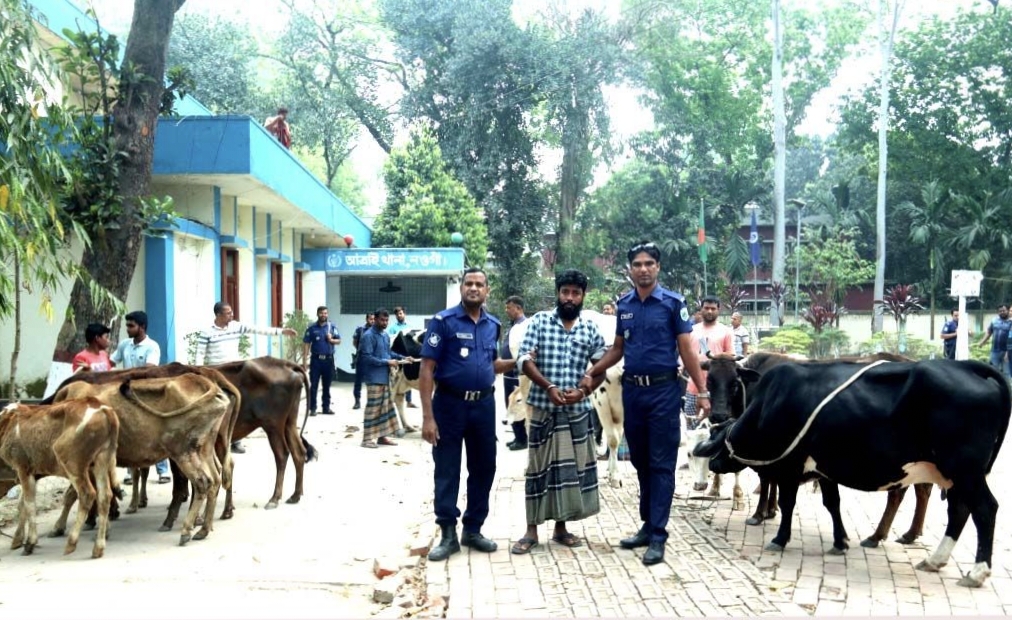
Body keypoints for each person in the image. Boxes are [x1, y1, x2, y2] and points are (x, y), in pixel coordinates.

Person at [578, 242, 710, 566]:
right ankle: (646, 525)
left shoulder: (673, 304)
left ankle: (658, 536)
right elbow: (617, 349)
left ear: (658, 267)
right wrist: (593, 370)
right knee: (639, 460)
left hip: (664, 393)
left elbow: (687, 352)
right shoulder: (624, 305)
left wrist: (703, 391)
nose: (643, 269)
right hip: (633, 393)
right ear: (631, 269)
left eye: (649, 263)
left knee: (661, 463)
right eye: (637, 264)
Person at [420, 267, 516, 562]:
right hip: (449, 405)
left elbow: (493, 365)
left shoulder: (493, 325)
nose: (474, 288)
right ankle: (448, 534)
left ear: (488, 290)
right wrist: (427, 417)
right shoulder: (443, 322)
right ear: (462, 288)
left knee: (484, 467)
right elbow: (427, 369)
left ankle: (472, 529)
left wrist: (519, 362)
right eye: (469, 284)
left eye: (479, 284)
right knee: (447, 470)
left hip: (484, 406)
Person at [510, 270, 607, 555]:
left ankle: (561, 528)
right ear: (558, 293)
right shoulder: (540, 321)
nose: (570, 297)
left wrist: (584, 390)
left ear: (582, 296)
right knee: (537, 468)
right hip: (542, 407)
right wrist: (549, 386)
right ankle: (531, 531)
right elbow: (524, 359)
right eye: (565, 292)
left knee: (568, 472)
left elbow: (599, 367)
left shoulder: (589, 328)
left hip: (576, 410)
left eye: (576, 293)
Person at [198, 301, 296, 452]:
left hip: (235, 372)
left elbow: (258, 329)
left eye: (231, 312)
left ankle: (236, 440)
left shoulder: (236, 326)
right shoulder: (206, 332)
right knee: (219, 405)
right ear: (218, 315)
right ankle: (215, 437)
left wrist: (282, 332)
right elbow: (200, 354)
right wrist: (200, 374)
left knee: (239, 405)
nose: (232, 315)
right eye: (228, 313)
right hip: (216, 373)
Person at [111, 311, 169, 484]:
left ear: (142, 327)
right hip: (126, 394)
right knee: (129, 432)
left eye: (131, 326)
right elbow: (111, 361)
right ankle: (130, 472)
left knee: (155, 431)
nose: (127, 329)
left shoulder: (152, 346)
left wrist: (124, 375)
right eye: (127, 325)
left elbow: (148, 370)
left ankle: (162, 470)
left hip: (146, 395)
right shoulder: (124, 345)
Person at [357, 308, 409, 448]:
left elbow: (388, 353)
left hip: (385, 378)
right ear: (375, 318)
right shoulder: (368, 336)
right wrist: (387, 362)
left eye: (387, 320)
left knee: (385, 408)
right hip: (373, 378)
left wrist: (404, 358)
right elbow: (366, 358)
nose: (385, 323)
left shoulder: (385, 335)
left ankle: (382, 437)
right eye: (382, 320)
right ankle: (367, 439)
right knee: (373, 409)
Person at [683, 296, 734, 429]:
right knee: (692, 427)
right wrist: (679, 366)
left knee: (717, 428)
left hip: (717, 391)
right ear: (701, 310)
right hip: (693, 387)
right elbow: (684, 354)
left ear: (718, 310)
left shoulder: (726, 331)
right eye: (706, 308)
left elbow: (730, 357)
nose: (709, 311)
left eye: (713, 309)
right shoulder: (691, 330)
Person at [302, 306, 342, 416]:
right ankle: (312, 408)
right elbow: (306, 344)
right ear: (317, 314)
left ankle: (326, 407)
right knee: (313, 385)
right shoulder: (311, 328)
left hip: (328, 360)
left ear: (327, 314)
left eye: (325, 313)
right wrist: (305, 361)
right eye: (321, 313)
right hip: (315, 361)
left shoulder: (331, 327)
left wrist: (331, 340)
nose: (323, 315)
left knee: (326, 385)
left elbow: (339, 341)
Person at [500, 296, 528, 449]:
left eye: (509, 308)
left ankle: (522, 439)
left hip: (517, 373)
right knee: (509, 403)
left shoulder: (524, 325)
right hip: (508, 372)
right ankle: (517, 435)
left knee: (517, 404)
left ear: (518, 308)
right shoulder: (514, 325)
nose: (507, 311)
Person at [387, 306, 417, 408]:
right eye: (397, 314)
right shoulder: (392, 328)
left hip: (407, 355)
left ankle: (409, 401)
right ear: (395, 316)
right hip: (397, 356)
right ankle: (395, 399)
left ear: (404, 314)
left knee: (410, 376)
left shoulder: (409, 327)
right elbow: (390, 343)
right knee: (396, 377)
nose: (399, 315)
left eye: (401, 313)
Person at [977, 304, 1011, 377]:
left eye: (1004, 310)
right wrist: (982, 342)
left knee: (1006, 372)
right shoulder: (994, 321)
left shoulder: (1011, 322)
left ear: (1008, 310)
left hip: (1007, 352)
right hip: (995, 351)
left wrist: (1008, 352)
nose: (1002, 312)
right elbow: (989, 332)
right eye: (1000, 311)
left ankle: (1007, 387)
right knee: (993, 371)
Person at [351, 313, 376, 410]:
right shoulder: (360, 329)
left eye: (374, 319)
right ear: (366, 319)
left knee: (372, 381)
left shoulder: (377, 330)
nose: (372, 321)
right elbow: (354, 342)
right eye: (370, 319)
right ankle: (357, 401)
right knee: (358, 381)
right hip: (361, 358)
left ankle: (371, 402)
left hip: (373, 359)